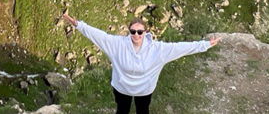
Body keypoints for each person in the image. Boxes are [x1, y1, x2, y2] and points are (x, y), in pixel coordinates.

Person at [62, 13, 220, 114]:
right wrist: (78, 24)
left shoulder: (158, 50)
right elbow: (98, 35)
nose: (136, 35)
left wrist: (205, 44)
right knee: (122, 110)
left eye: (139, 32)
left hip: (144, 91)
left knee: (142, 110)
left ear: (146, 32)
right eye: (133, 31)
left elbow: (181, 48)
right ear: (129, 32)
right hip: (122, 88)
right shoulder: (117, 45)